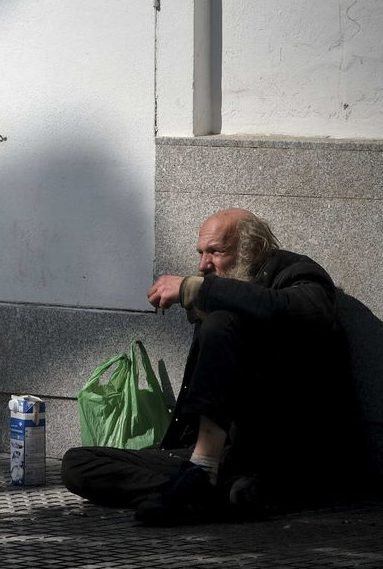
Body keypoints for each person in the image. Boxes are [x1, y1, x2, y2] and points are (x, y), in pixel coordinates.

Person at [61, 208, 362, 525]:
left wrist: (196, 290)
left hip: (278, 456)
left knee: (221, 321)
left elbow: (296, 309)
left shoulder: (297, 273)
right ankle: (205, 493)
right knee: (78, 464)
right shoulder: (223, 292)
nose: (204, 265)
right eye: (201, 253)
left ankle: (204, 483)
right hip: (219, 460)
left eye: (216, 252)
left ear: (251, 249)